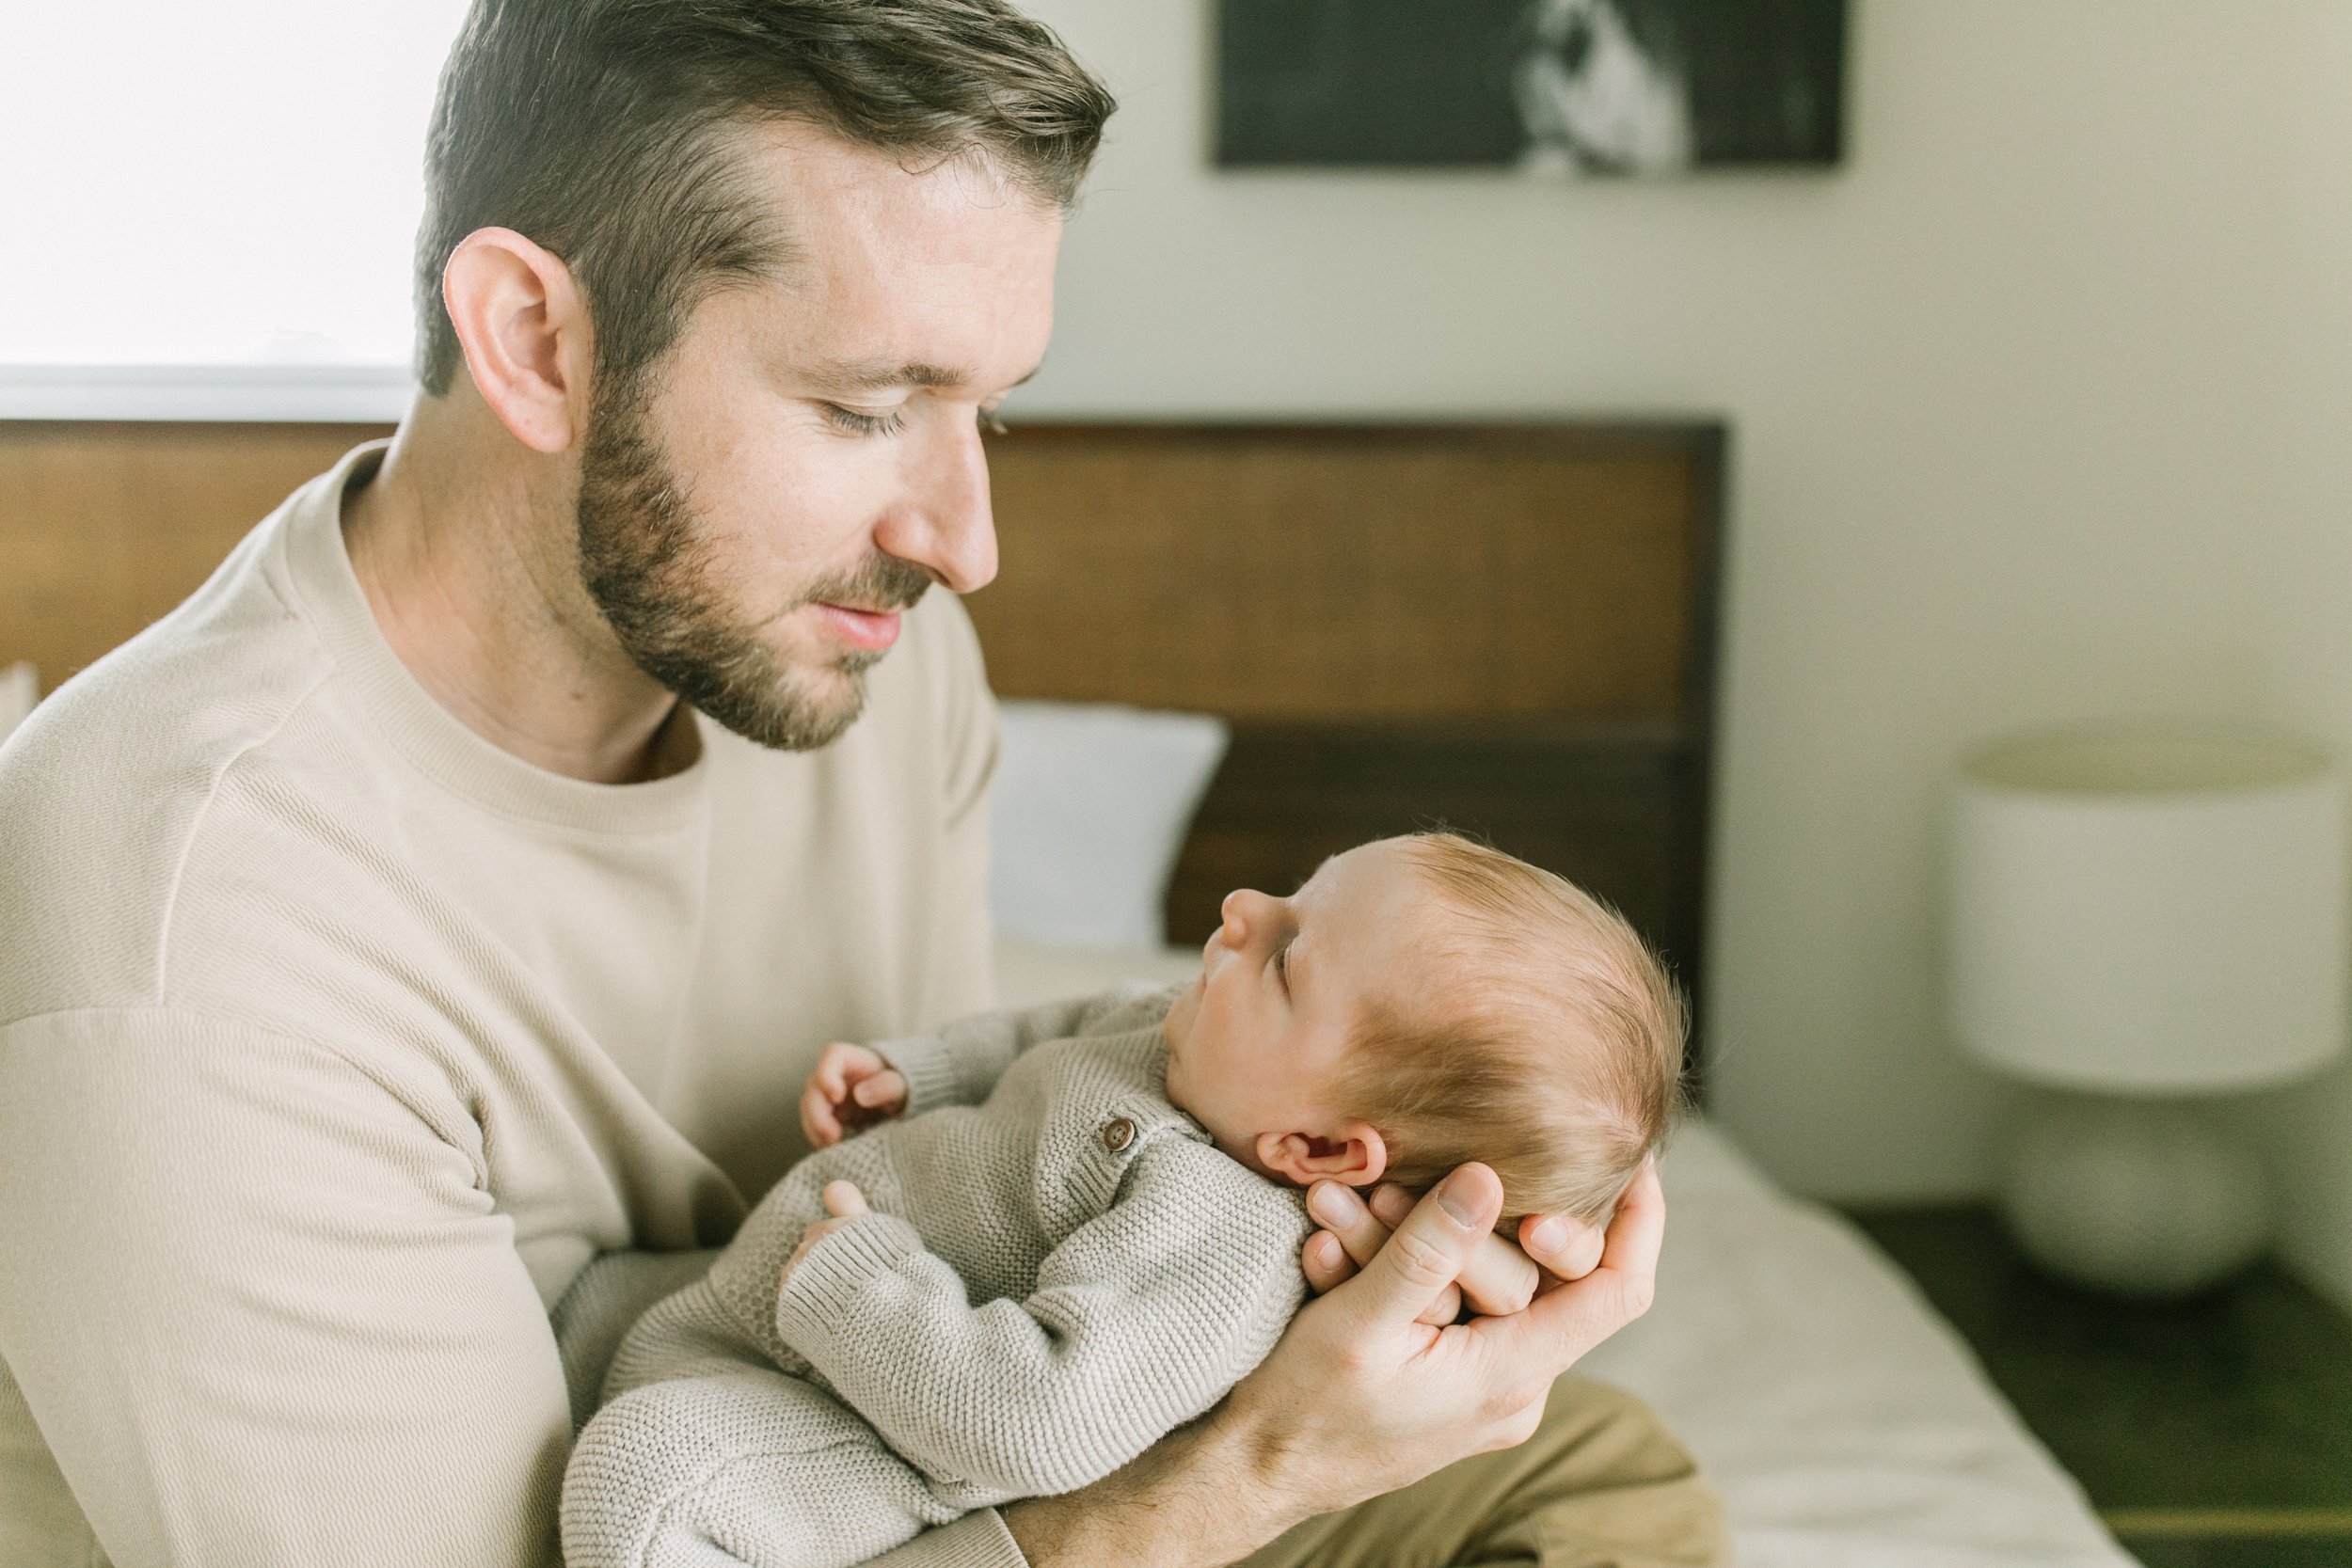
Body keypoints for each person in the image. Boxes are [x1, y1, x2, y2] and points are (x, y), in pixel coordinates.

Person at [0, 3, 1724, 1565]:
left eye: (990, 409)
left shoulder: (863, 654)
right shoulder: (186, 936)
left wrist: (1350, 1298)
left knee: (1598, 1482)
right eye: (866, 402)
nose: (963, 545)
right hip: (674, 1503)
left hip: (891, 1422)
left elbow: (983, 1184)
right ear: (532, 336)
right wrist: (1254, 1467)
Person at [563, 833, 1693, 1568]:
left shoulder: (1220, 1243)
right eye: (1291, 894)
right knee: (581, 1315)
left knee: (650, 1475)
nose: (1243, 908)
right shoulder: (1203, 1040)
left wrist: (859, 1289)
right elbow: (1051, 1029)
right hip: (743, 1308)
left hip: (878, 1423)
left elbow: (1034, 1416)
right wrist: (928, 1072)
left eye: (1290, 953)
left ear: (1315, 1146)